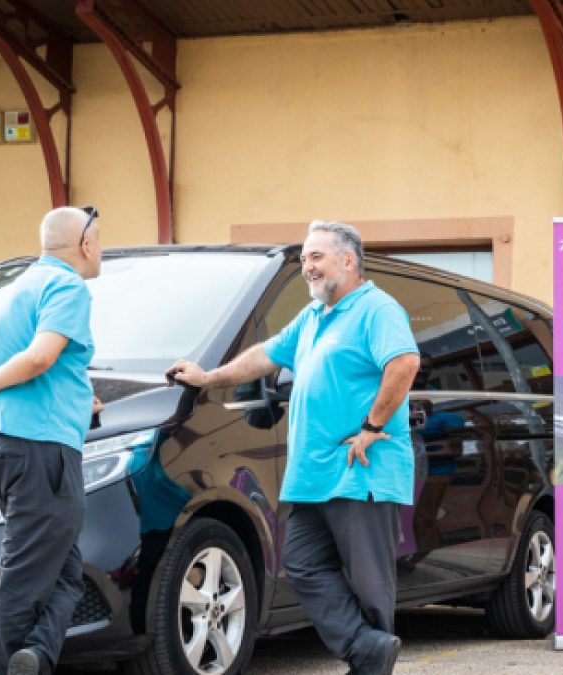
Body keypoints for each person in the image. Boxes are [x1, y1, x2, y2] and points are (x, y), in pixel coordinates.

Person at [168, 220, 419, 675]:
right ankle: (366, 649)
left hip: (359, 469)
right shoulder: (313, 317)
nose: (307, 267)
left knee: (369, 584)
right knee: (301, 565)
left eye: (316, 257)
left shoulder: (377, 309)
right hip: (312, 477)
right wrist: (207, 377)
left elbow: (404, 363)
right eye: (304, 259)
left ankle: (369, 662)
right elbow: (263, 356)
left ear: (349, 260)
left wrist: (371, 425)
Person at [0, 206, 104, 675]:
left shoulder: (18, 289)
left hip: (3, 446)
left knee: (66, 575)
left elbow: (42, 372)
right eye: (98, 239)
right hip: (41, 450)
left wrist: (79, 402)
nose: (100, 249)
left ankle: (34, 656)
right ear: (85, 245)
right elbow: (40, 358)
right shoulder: (67, 286)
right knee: (24, 579)